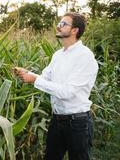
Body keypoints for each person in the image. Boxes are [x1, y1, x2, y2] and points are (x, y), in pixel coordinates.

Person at [13, 12, 98, 160]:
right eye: (59, 23)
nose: (58, 26)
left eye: (63, 24)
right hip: (57, 120)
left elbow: (67, 92)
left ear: (74, 30)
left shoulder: (85, 57)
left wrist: (33, 79)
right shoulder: (58, 55)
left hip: (77, 123)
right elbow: (45, 78)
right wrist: (27, 73)